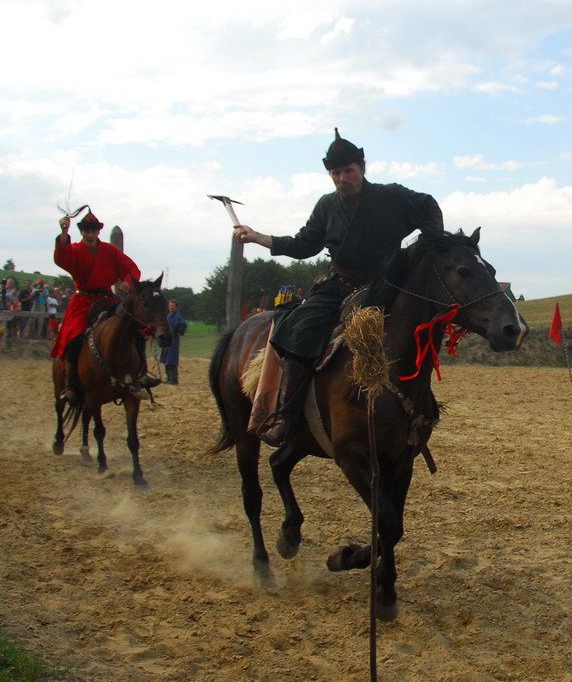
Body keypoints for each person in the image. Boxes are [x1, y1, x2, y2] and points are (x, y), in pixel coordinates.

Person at [234, 128, 444, 445]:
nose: (343, 178)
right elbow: (304, 244)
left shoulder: (391, 196)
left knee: (415, 328)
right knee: (296, 332)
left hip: (385, 285)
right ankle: (289, 417)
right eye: (336, 173)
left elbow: (429, 206)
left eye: (348, 170)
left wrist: (427, 247)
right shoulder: (327, 206)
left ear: (362, 168)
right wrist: (258, 237)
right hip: (339, 285)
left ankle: (423, 406)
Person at [52, 206, 160, 403]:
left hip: (108, 300)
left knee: (135, 329)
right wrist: (64, 232)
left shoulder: (110, 251)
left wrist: (127, 282)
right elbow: (62, 257)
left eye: (93, 231)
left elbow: (132, 268)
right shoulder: (75, 250)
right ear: (82, 232)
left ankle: (140, 374)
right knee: (73, 337)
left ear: (98, 232)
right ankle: (70, 384)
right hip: (82, 301)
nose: (90, 234)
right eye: (86, 231)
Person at [160, 299, 187, 384]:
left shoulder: (177, 317)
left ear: (176, 307)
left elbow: (183, 324)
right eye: (170, 306)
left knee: (172, 359)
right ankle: (168, 378)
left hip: (173, 340)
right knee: (166, 359)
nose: (171, 307)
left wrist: (176, 332)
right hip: (166, 340)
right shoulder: (168, 316)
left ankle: (174, 379)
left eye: (173, 306)